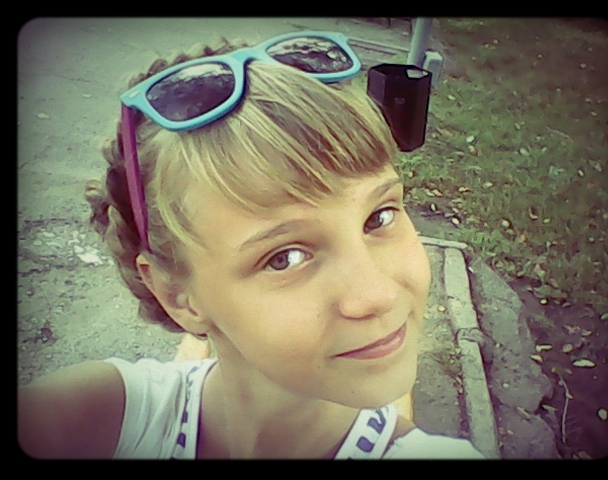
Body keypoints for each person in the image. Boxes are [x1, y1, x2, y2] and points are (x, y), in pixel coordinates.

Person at [18, 31, 485, 459]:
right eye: (285, 257)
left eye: (379, 217)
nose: (376, 295)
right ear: (178, 296)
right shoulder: (89, 423)